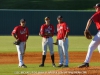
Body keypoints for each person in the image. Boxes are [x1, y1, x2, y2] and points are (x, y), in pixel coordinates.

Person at [78, 3, 100, 68]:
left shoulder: (98, 14)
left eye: (97, 7)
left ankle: (86, 62)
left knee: (91, 46)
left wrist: (86, 29)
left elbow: (90, 20)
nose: (95, 8)